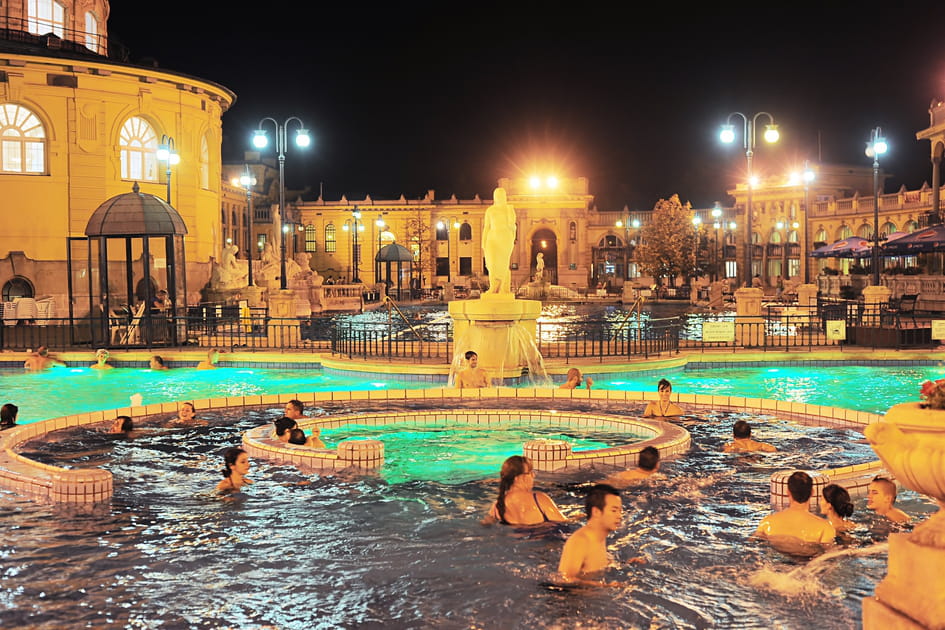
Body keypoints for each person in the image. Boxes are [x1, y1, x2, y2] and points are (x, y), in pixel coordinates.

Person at [558, 484, 645, 585]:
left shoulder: (599, 537)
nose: (619, 516)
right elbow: (564, 580)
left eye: (620, 511)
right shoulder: (580, 541)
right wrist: (604, 586)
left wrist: (625, 565)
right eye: (614, 510)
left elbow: (597, 567)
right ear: (596, 512)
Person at [753, 471, 836, 545]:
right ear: (812, 492)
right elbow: (830, 558)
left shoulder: (767, 523)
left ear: (788, 492)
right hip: (809, 560)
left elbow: (753, 544)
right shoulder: (824, 528)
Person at [484, 455, 567, 526]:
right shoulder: (540, 500)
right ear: (518, 478)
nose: (533, 475)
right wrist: (578, 516)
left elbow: (485, 524)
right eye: (530, 472)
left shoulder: (496, 507)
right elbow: (564, 523)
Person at [482, 187, 517, 295]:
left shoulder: (509, 209)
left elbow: (513, 226)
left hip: (505, 237)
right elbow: (486, 227)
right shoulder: (490, 210)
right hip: (492, 238)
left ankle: (503, 288)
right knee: (492, 263)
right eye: (497, 195)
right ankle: (493, 287)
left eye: (501, 195)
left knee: (503, 263)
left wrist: (512, 226)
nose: (499, 197)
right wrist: (483, 242)